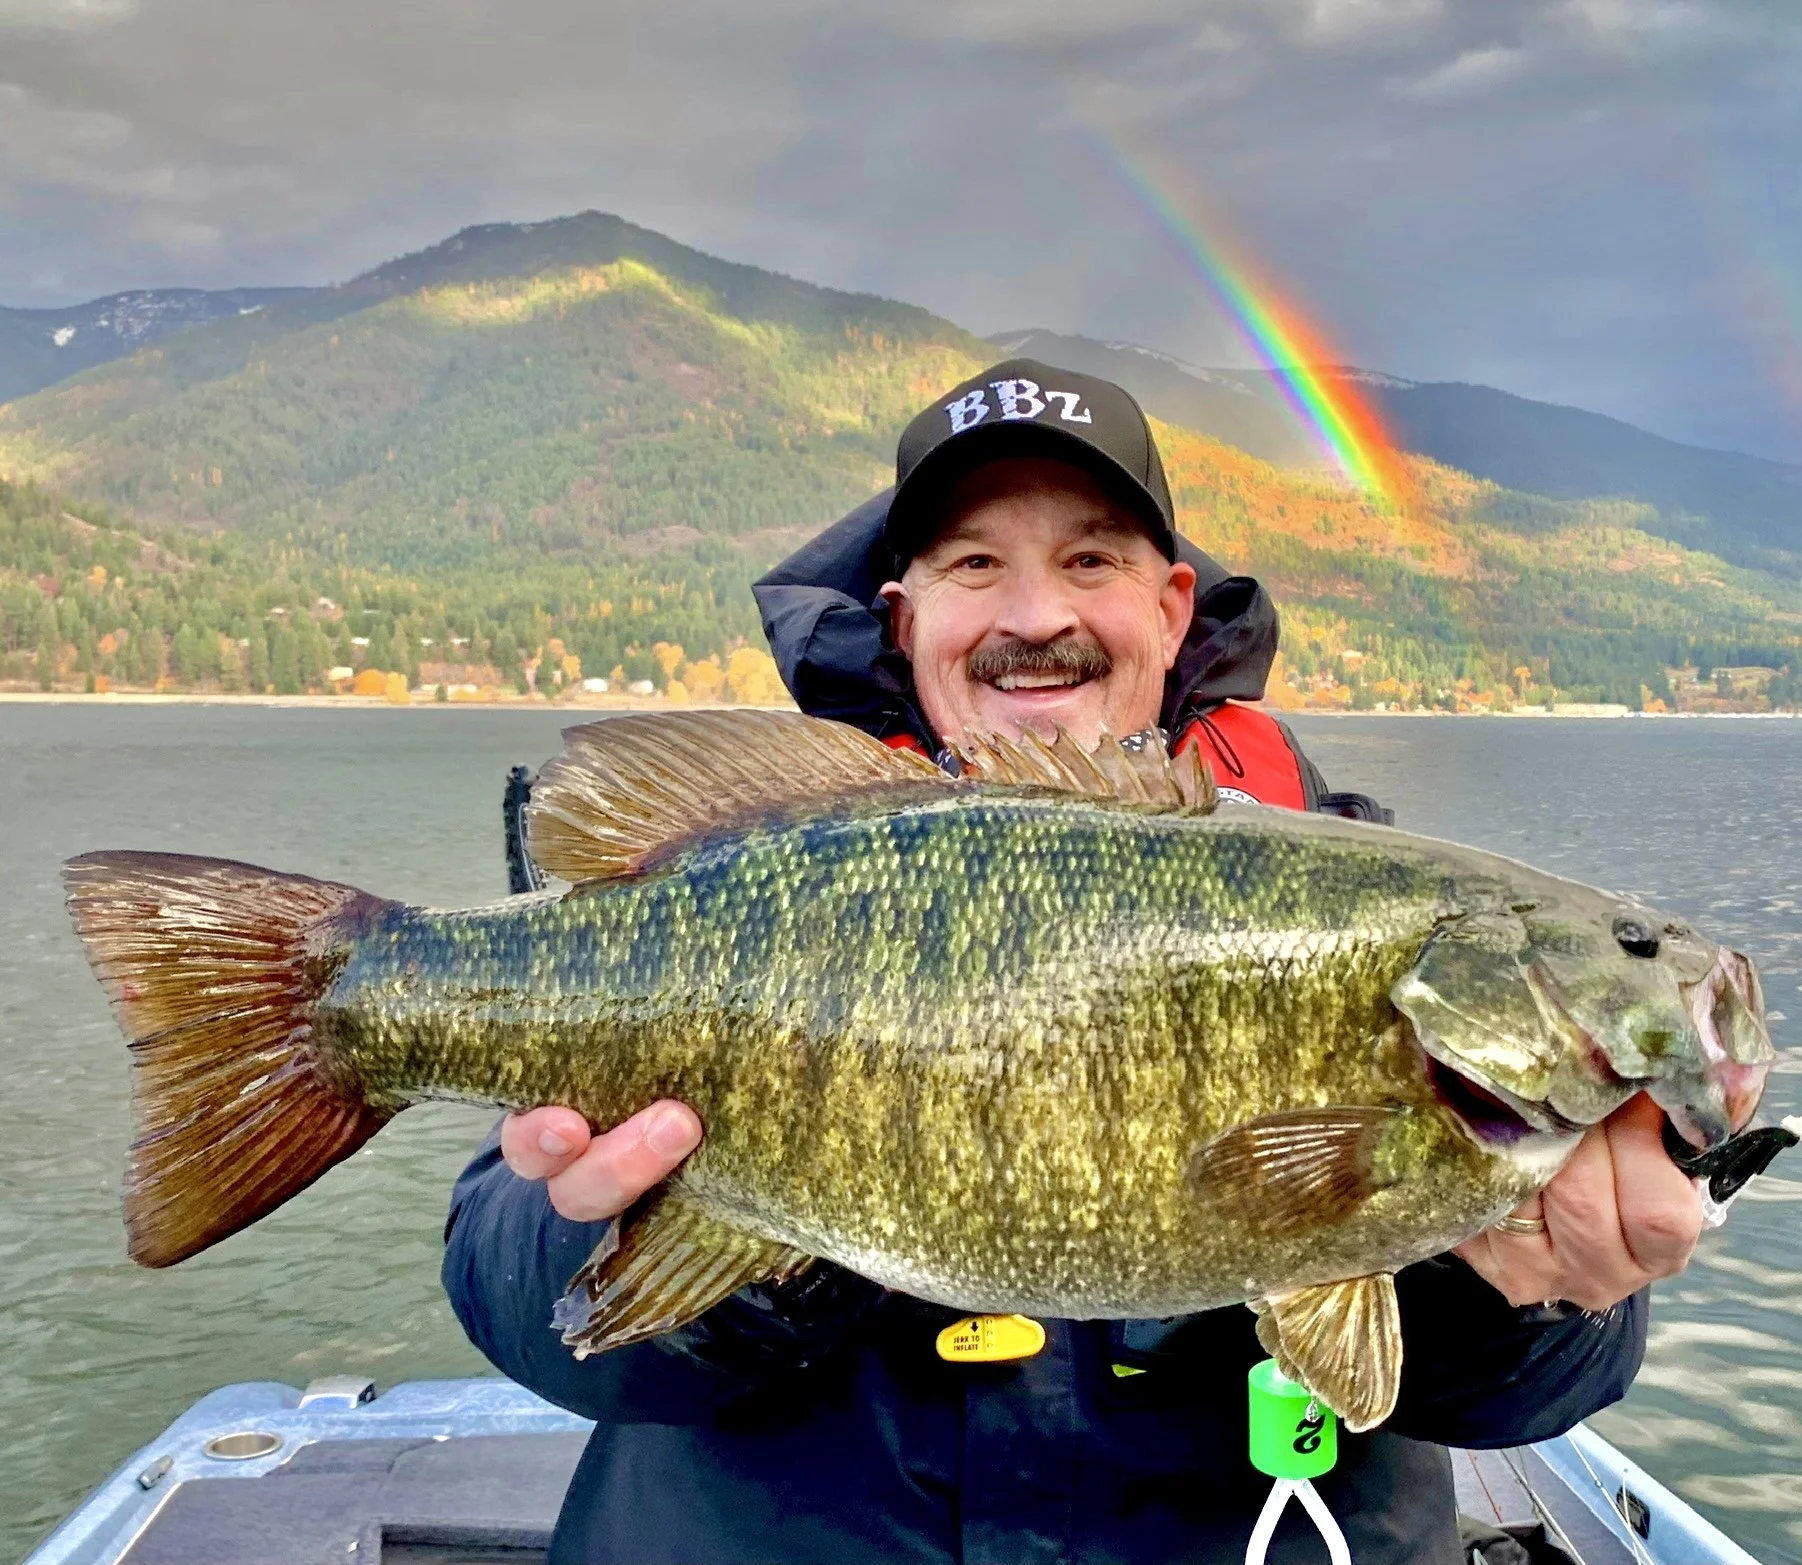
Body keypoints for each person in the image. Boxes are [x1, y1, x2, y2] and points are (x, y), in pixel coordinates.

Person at [443, 359, 1705, 1564]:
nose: (1034, 615)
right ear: (909, 615)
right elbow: (527, 1298)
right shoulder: (754, 877)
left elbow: (1540, 1386)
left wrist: (1527, 1290)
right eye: (975, 563)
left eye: (1089, 557)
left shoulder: (1366, 892)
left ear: (1169, 605)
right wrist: (669, 1235)